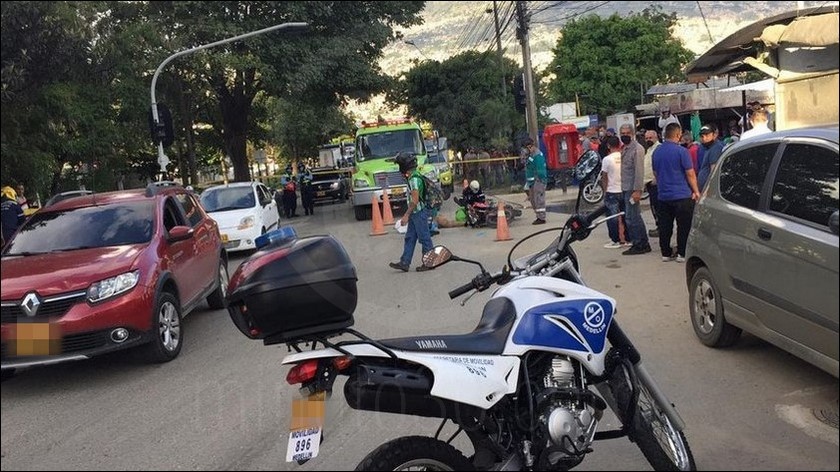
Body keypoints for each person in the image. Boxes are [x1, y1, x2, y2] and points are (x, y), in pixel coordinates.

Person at [652, 122, 701, 263]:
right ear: (678, 135)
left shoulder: (657, 152)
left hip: (663, 195)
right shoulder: (682, 152)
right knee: (683, 225)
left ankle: (665, 253)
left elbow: (656, 173)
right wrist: (696, 191)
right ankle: (682, 253)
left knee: (665, 225)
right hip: (682, 194)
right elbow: (690, 173)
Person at [389, 153, 434, 273]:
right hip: (416, 213)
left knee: (424, 238)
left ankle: (429, 262)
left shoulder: (414, 179)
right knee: (410, 238)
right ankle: (405, 262)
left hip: (418, 212)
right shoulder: (413, 176)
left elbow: (414, 200)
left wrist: (406, 215)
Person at [619, 124, 651, 255]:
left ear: (632, 134)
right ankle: (640, 242)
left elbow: (639, 171)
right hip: (626, 187)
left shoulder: (637, 149)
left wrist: (638, 190)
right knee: (631, 217)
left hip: (633, 189)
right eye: (622, 133)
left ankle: (640, 244)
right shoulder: (625, 148)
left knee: (632, 218)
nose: (624, 135)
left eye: (627, 133)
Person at [600, 136, 628, 248]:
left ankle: (615, 240)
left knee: (612, 217)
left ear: (608, 146)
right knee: (626, 216)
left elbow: (604, 177)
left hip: (612, 191)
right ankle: (627, 238)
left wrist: (605, 190)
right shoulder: (624, 156)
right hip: (624, 189)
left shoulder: (607, 159)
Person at [522, 137, 547, 225]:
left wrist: (539, 180)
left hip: (538, 181)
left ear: (530, 146)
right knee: (533, 199)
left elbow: (540, 170)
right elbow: (529, 167)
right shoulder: (531, 155)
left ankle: (541, 217)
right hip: (532, 182)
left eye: (525, 148)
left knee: (538, 199)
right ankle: (538, 215)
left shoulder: (537, 155)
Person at [642, 129, 661, 238]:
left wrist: (656, 179)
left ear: (656, 137)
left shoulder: (658, 149)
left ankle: (661, 227)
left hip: (655, 184)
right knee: (654, 207)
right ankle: (658, 226)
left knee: (658, 207)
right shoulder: (649, 150)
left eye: (650, 138)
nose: (648, 140)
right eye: (647, 138)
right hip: (649, 183)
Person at [696, 124, 724, 191]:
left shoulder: (716, 148)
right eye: (702, 136)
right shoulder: (708, 147)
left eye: (707, 135)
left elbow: (713, 172)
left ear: (714, 135)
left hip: (709, 191)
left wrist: (709, 189)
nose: (704, 138)